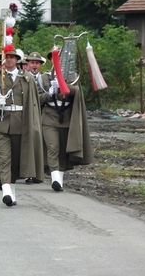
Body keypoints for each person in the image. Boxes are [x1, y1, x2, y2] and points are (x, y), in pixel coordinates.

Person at [0, 49, 45, 206]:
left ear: (17, 60)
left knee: (16, 159)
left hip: (21, 124)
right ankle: (6, 190)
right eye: (6, 57)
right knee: (4, 158)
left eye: (11, 57)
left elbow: (33, 102)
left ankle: (11, 190)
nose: (8, 60)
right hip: (0, 123)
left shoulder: (26, 78)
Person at [36, 51, 93, 191]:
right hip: (49, 117)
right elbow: (38, 98)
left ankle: (59, 180)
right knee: (52, 147)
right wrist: (51, 92)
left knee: (62, 150)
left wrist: (66, 87)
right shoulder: (44, 78)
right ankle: (55, 177)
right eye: (55, 60)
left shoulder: (72, 77)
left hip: (66, 118)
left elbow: (78, 93)